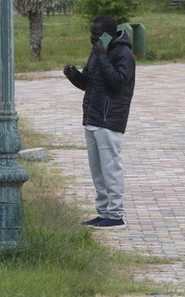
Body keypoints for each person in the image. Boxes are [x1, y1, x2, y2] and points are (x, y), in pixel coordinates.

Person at [63, 15, 136, 229]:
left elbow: (118, 83)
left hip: (109, 120)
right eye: (91, 33)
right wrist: (74, 75)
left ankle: (115, 215)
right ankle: (104, 212)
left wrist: (103, 56)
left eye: (98, 34)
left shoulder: (123, 54)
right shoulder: (97, 52)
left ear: (109, 34)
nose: (93, 38)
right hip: (93, 118)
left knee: (111, 169)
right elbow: (89, 84)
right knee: (98, 170)